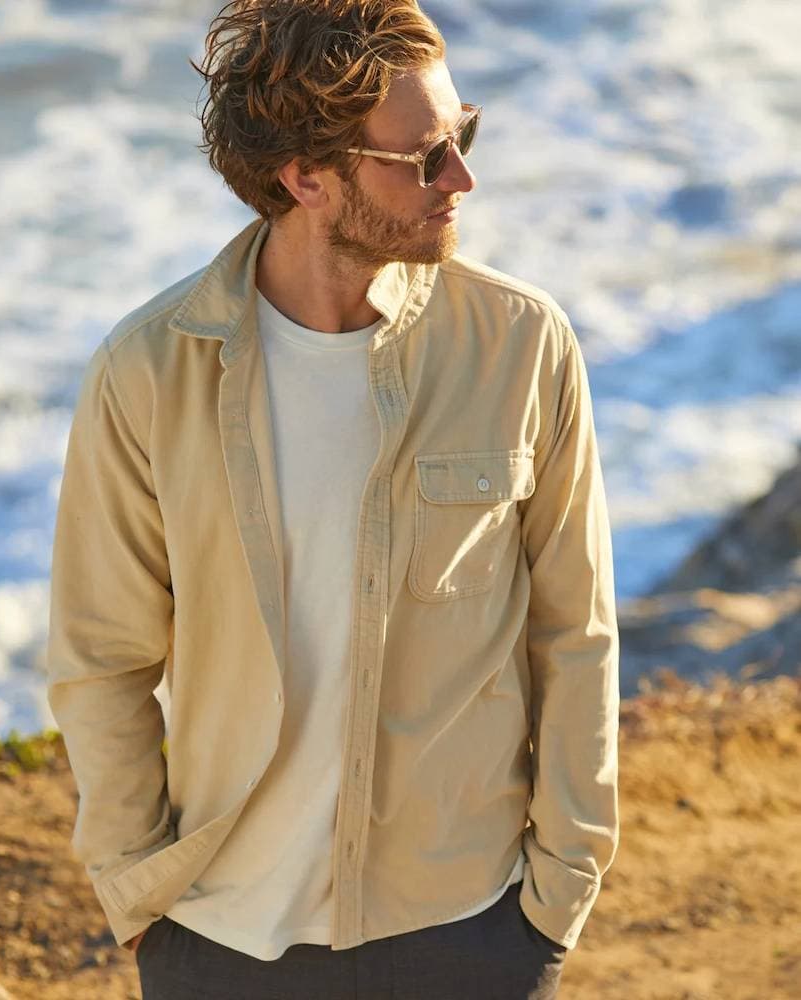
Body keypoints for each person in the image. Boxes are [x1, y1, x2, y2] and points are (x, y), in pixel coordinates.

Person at [45, 1, 620, 997]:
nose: (463, 179)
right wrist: (137, 899)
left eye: (462, 137)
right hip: (221, 940)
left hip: (471, 929)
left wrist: (557, 892)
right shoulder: (148, 373)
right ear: (306, 177)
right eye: (424, 157)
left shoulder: (523, 347)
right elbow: (102, 660)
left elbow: (576, 634)